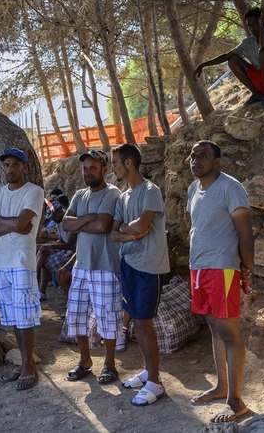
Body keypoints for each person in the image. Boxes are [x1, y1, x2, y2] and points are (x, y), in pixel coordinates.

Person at [186, 141, 254, 424]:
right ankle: (222, 386)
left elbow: (246, 233)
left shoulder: (230, 187)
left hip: (223, 268)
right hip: (199, 268)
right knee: (214, 327)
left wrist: (247, 270)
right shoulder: (193, 189)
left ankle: (237, 402)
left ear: (217, 162)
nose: (195, 160)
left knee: (228, 330)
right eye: (192, 155)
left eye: (203, 156)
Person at [110, 143, 170, 406]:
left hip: (149, 266)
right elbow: (114, 233)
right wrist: (129, 231)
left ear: (128, 164)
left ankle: (155, 383)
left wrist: (129, 229)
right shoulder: (124, 197)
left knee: (144, 323)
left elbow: (144, 225)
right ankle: (149, 372)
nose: (112, 167)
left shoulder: (150, 191)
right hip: (129, 264)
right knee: (137, 320)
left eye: (115, 163)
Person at [0, 148, 45, 391]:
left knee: (25, 317)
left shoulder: (34, 191)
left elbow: (23, 223)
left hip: (21, 261)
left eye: (15, 165)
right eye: (6, 165)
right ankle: (24, 361)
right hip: (1, 262)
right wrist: (12, 225)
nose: (10, 169)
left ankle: (29, 366)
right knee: (12, 317)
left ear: (25, 167)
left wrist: (1, 220)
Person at [60, 150, 123, 385]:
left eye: (92, 168)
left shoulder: (112, 193)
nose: (87, 172)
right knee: (75, 316)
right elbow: (66, 225)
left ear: (104, 170)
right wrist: (89, 218)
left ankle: (109, 364)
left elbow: (103, 226)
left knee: (108, 317)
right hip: (82, 266)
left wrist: (81, 221)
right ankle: (85, 361)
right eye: (85, 168)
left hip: (104, 266)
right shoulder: (79, 194)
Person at [194, 7, 264, 107]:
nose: (252, 28)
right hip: (262, 82)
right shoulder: (247, 42)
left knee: (263, 51)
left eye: (256, 23)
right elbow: (226, 56)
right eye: (249, 25)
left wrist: (262, 26)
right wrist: (203, 65)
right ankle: (257, 94)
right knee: (232, 60)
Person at [36, 195, 75, 300]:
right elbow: (61, 240)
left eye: (53, 216)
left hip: (73, 253)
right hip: (66, 250)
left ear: (59, 212)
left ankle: (37, 280)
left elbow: (70, 245)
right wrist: (48, 246)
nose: (52, 219)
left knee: (45, 259)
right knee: (43, 251)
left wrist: (50, 246)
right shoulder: (58, 220)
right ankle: (40, 287)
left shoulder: (70, 220)